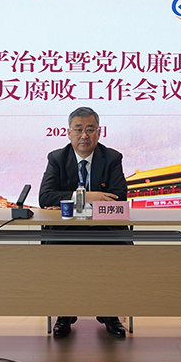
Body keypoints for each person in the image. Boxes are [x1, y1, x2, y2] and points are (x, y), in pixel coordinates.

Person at [38, 106, 128, 339]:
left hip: (105, 229)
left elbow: (119, 198)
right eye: (78, 129)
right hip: (65, 229)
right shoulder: (57, 158)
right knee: (56, 253)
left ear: (99, 132)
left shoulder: (112, 158)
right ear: (69, 133)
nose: (84, 135)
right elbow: (45, 197)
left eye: (90, 129)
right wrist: (88, 196)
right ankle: (64, 313)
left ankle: (110, 313)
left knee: (118, 252)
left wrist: (66, 200)